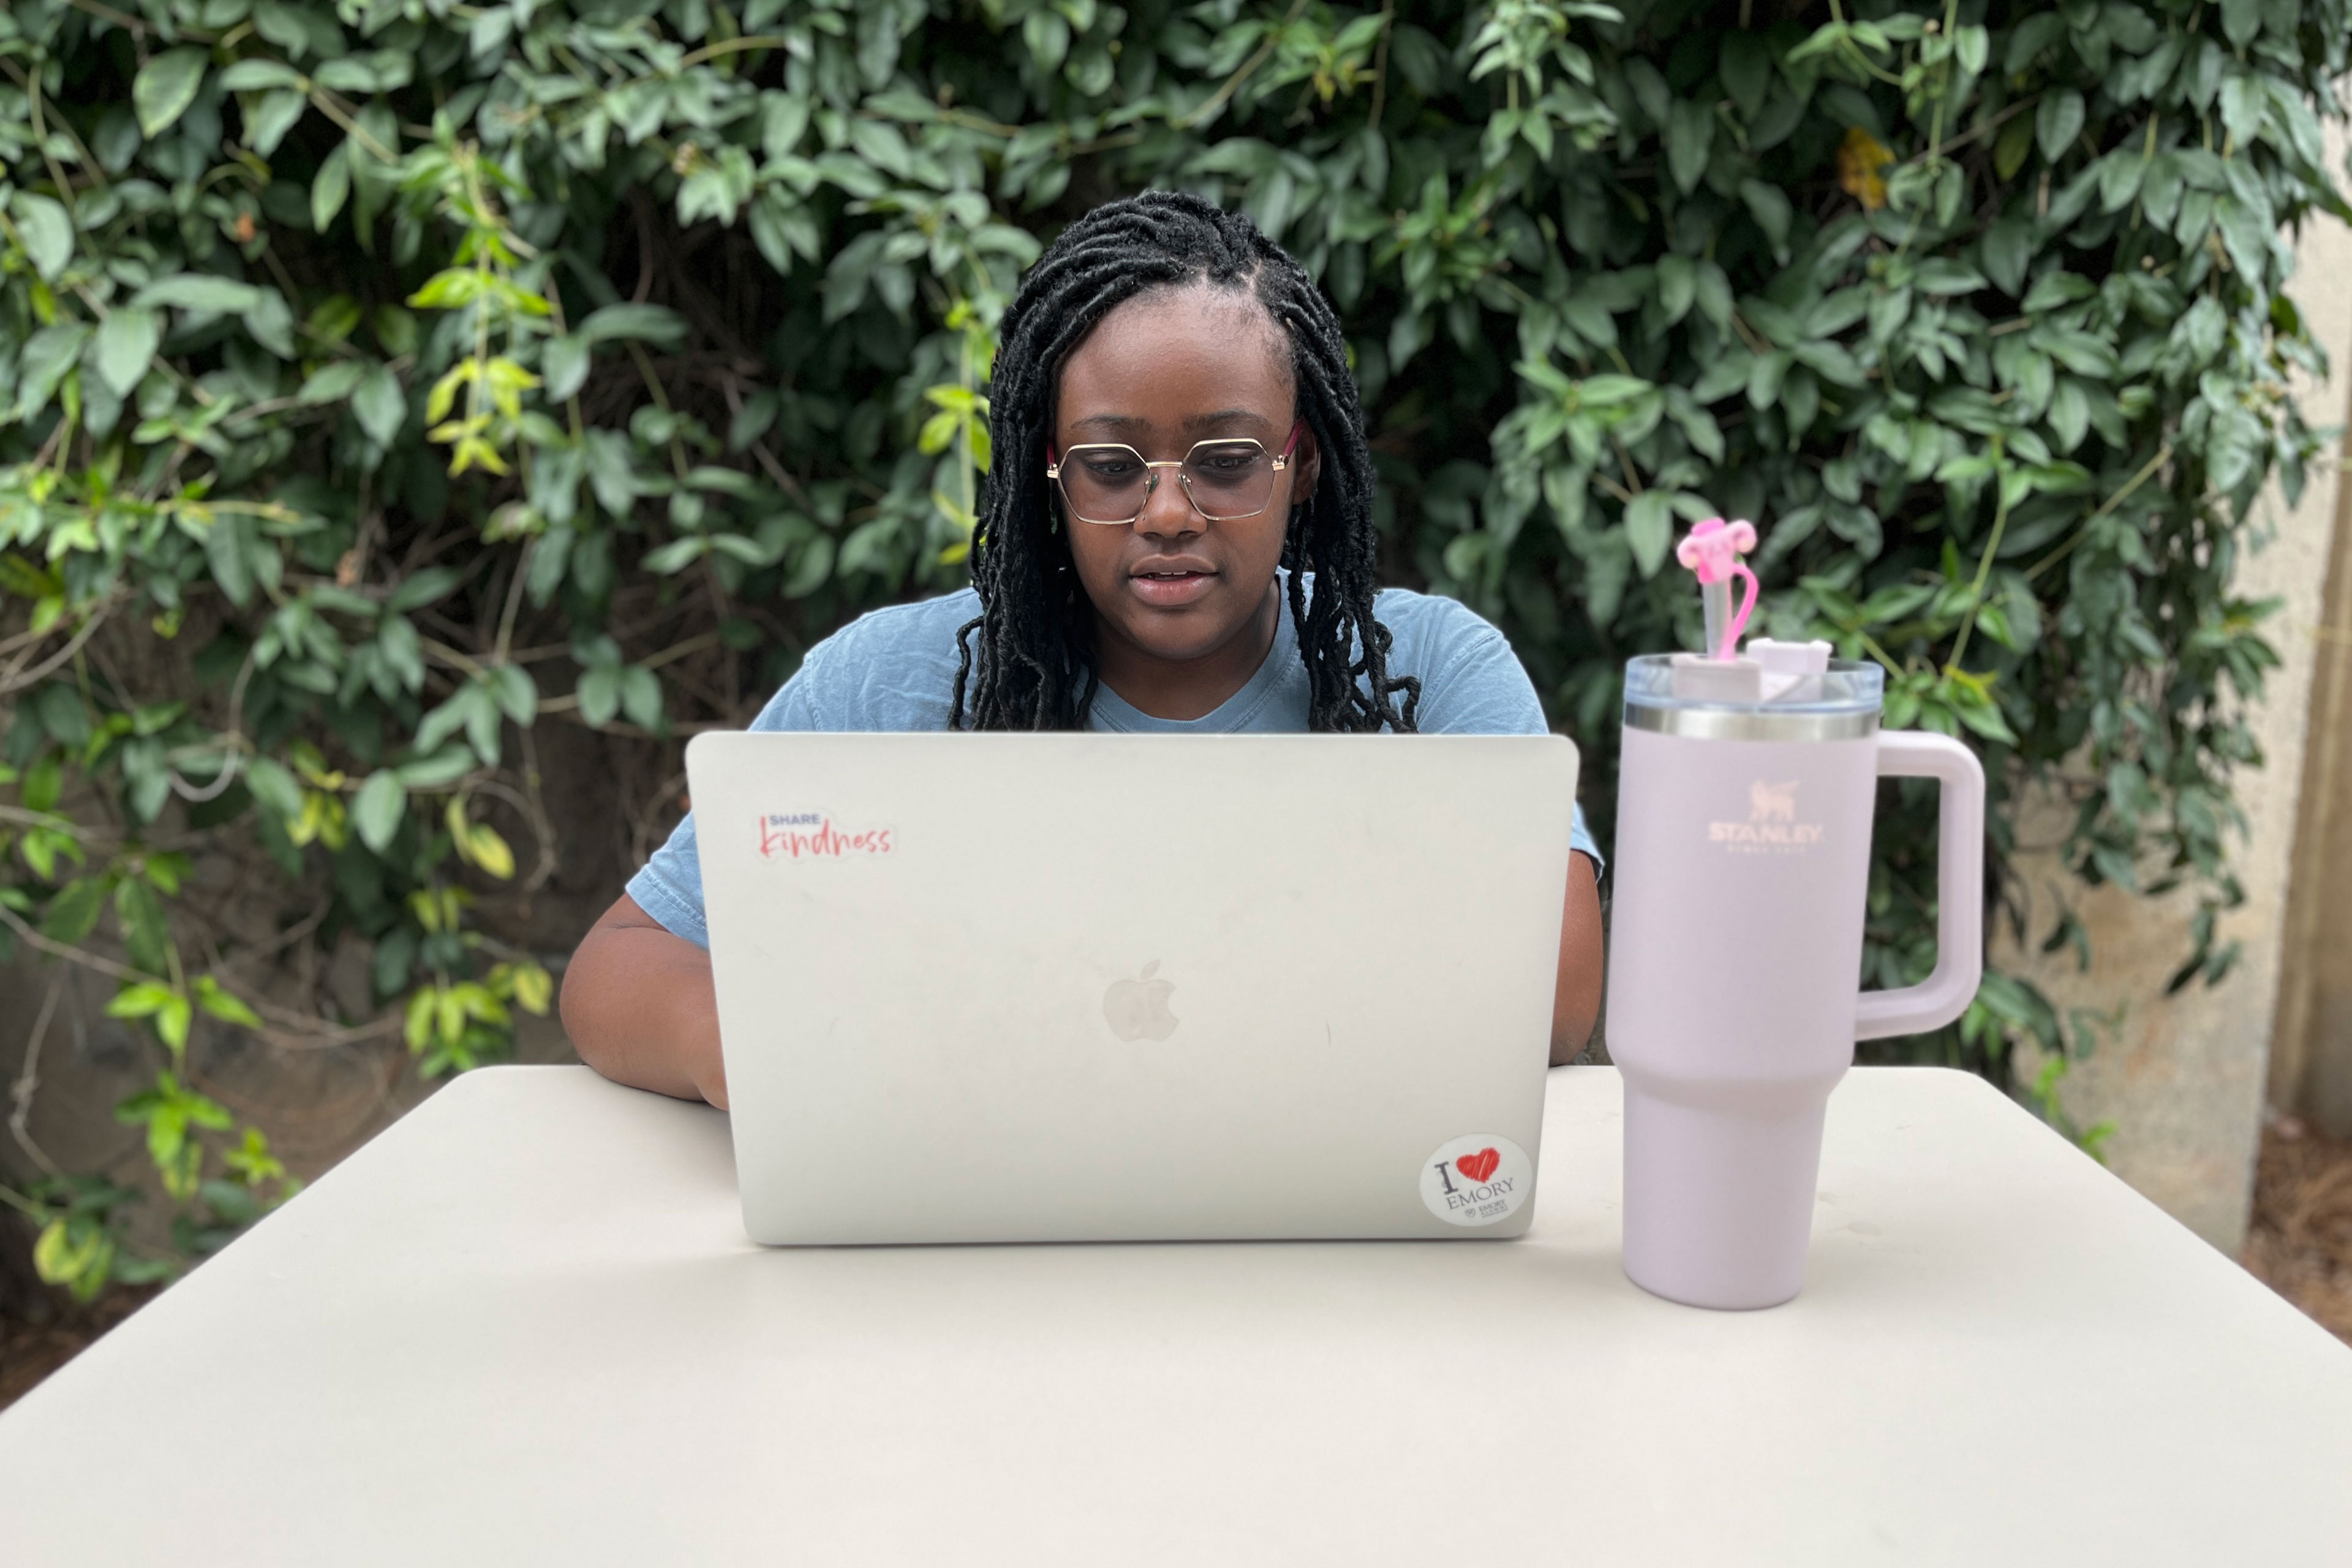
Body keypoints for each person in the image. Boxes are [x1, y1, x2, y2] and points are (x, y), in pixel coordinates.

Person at [560, 191, 1605, 1107]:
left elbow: (1556, 1000)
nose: (1168, 512)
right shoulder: (886, 684)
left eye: (1227, 461)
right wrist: (783, 1056)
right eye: (1111, 466)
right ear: (1048, 473)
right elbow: (621, 967)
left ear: (1304, 467)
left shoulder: (1424, 675)